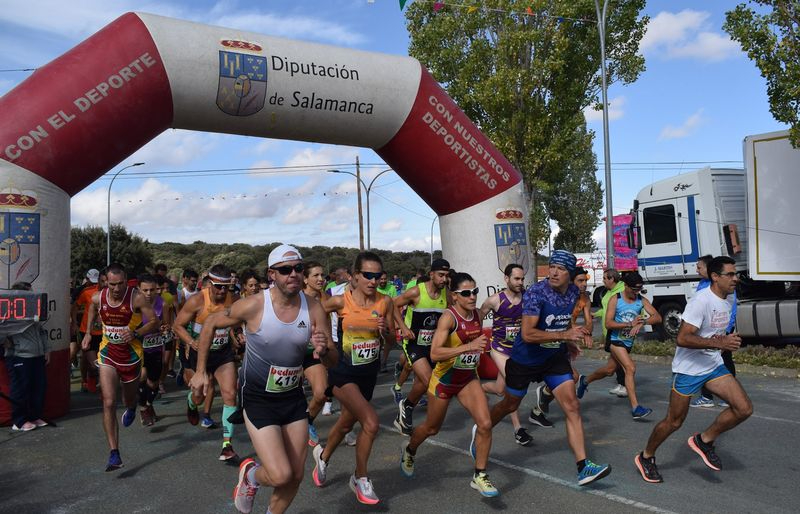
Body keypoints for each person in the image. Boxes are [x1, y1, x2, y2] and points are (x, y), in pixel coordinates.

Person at [191, 244, 337, 514]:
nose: (293, 274)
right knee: (280, 474)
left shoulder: (314, 307)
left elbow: (333, 360)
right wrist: (201, 371)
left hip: (292, 397)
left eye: (298, 268)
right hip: (258, 398)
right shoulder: (254, 305)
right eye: (285, 270)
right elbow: (210, 323)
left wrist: (325, 349)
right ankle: (251, 476)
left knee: (295, 475)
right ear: (272, 274)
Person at [486, 250, 611, 485]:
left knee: (572, 405)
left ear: (571, 274)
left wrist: (567, 342)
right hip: (525, 359)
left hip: (553, 357)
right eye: (552, 266)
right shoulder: (535, 293)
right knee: (509, 404)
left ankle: (583, 467)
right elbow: (528, 333)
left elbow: (563, 321)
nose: (553, 272)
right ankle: (482, 429)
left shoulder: (574, 292)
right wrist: (565, 334)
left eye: (561, 269)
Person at [635, 256, 752, 483]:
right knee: (674, 422)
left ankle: (704, 440)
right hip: (689, 369)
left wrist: (724, 339)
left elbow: (710, 333)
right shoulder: (701, 301)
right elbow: (682, 338)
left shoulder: (727, 299)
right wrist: (720, 344)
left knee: (744, 408)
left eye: (735, 274)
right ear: (715, 277)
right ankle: (646, 457)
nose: (735, 278)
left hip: (712, 366)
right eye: (730, 274)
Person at [401, 272, 499, 497]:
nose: (472, 296)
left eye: (475, 291)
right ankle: (410, 450)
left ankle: (480, 475)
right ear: (454, 296)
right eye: (466, 293)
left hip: (467, 379)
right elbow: (435, 354)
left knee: (485, 424)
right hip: (444, 380)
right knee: (432, 428)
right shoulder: (448, 317)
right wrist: (468, 347)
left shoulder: (476, 315)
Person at [312, 251, 396, 505]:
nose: (373, 280)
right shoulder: (340, 302)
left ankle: (323, 457)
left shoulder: (385, 302)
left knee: (347, 424)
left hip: (367, 374)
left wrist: (385, 333)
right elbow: (316, 312)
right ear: (355, 276)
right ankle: (360, 478)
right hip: (342, 372)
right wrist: (323, 337)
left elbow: (391, 341)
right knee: (370, 422)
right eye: (368, 275)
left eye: (377, 275)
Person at [82, 263, 158, 471]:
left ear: (126, 280)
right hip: (107, 353)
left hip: (131, 356)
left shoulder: (136, 298)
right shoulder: (99, 297)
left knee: (128, 398)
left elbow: (154, 321)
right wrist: (89, 332)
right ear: (106, 281)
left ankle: (133, 406)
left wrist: (135, 333)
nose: (116, 288)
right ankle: (114, 453)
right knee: (108, 401)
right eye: (112, 284)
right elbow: (91, 308)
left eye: (121, 283)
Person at [173, 264, 241, 461]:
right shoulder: (196, 301)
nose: (222, 291)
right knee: (199, 397)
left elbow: (239, 323)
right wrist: (191, 341)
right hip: (199, 354)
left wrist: (238, 334)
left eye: (226, 286)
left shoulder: (234, 300)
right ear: (209, 284)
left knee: (230, 393)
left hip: (222, 354)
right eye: (218, 286)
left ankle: (227, 445)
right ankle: (191, 403)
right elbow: (178, 325)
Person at [576, 272, 662, 419]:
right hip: (615, 340)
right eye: (634, 289)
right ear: (626, 286)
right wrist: (629, 324)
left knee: (609, 370)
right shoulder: (616, 299)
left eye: (639, 290)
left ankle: (585, 380)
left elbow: (658, 317)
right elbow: (608, 323)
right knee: (630, 367)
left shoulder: (641, 300)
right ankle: (636, 408)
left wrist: (643, 322)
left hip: (627, 342)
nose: (636, 292)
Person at [393, 259, 451, 436]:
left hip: (432, 345)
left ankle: (407, 407)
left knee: (420, 384)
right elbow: (392, 304)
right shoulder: (416, 292)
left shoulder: (446, 295)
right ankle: (415, 412)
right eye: (440, 275)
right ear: (431, 274)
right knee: (428, 381)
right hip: (413, 344)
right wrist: (403, 327)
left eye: (447, 276)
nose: (444, 280)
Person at [479, 263, 533, 445]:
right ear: (506, 279)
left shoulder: (528, 298)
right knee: (513, 382)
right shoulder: (494, 300)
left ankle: (477, 389)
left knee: (500, 389)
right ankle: (518, 429)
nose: (520, 282)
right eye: (516, 279)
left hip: (517, 349)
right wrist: (472, 341)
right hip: (499, 349)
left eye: (522, 279)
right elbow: (477, 318)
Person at [2, 282, 50, 432]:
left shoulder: (32, 310)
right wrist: (4, 341)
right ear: (20, 295)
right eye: (30, 293)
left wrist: (46, 350)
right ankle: (19, 421)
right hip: (19, 356)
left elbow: (41, 331)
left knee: (38, 387)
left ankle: (34, 416)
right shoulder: (8, 311)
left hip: (37, 355)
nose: (33, 295)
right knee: (20, 389)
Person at [691, 254, 737, 408]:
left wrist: (726, 333)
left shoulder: (725, 286)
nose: (697, 270)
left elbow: (729, 310)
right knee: (704, 360)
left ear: (711, 272)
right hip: (706, 332)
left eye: (699, 267)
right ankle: (706, 396)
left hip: (722, 331)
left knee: (725, 361)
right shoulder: (702, 284)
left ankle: (728, 396)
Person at [302, 261, 330, 447]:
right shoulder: (295, 298)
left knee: (321, 394)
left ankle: (307, 421)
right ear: (305, 279)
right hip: (290, 355)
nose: (321, 279)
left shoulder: (325, 299)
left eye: (323, 275)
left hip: (313, 354)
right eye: (316, 275)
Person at [136, 274, 170, 426]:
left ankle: (149, 404)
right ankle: (143, 409)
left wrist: (164, 329)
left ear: (157, 290)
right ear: (139, 290)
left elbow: (167, 325)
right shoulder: (135, 305)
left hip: (155, 347)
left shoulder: (163, 304)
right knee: (142, 376)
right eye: (145, 290)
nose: (149, 293)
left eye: (152, 290)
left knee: (154, 383)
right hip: (138, 346)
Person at [71, 268, 105, 393]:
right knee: (93, 363)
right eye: (102, 281)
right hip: (87, 331)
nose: (104, 284)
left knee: (101, 363)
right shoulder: (87, 292)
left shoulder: (113, 294)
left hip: (104, 334)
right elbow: (74, 307)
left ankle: (100, 385)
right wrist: (74, 322)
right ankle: (87, 379)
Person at [597, 269, 627, 397]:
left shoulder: (620, 292)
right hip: (608, 331)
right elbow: (605, 310)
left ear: (612, 279)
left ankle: (625, 385)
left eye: (605, 278)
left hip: (617, 331)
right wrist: (595, 314)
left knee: (618, 362)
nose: (603, 281)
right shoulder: (610, 292)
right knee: (618, 361)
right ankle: (622, 384)